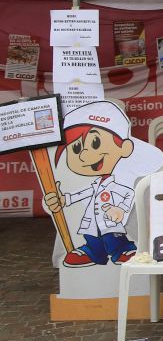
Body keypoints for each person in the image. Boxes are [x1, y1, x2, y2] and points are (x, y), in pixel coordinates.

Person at [45, 101, 138, 267]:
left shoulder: (123, 180)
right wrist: (65, 199)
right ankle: (93, 252)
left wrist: (121, 209)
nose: (83, 155)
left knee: (114, 236)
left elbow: (130, 194)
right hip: (92, 221)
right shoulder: (94, 183)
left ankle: (123, 250)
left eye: (95, 143)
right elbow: (83, 193)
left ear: (124, 148)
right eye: (76, 149)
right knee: (92, 237)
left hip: (112, 222)